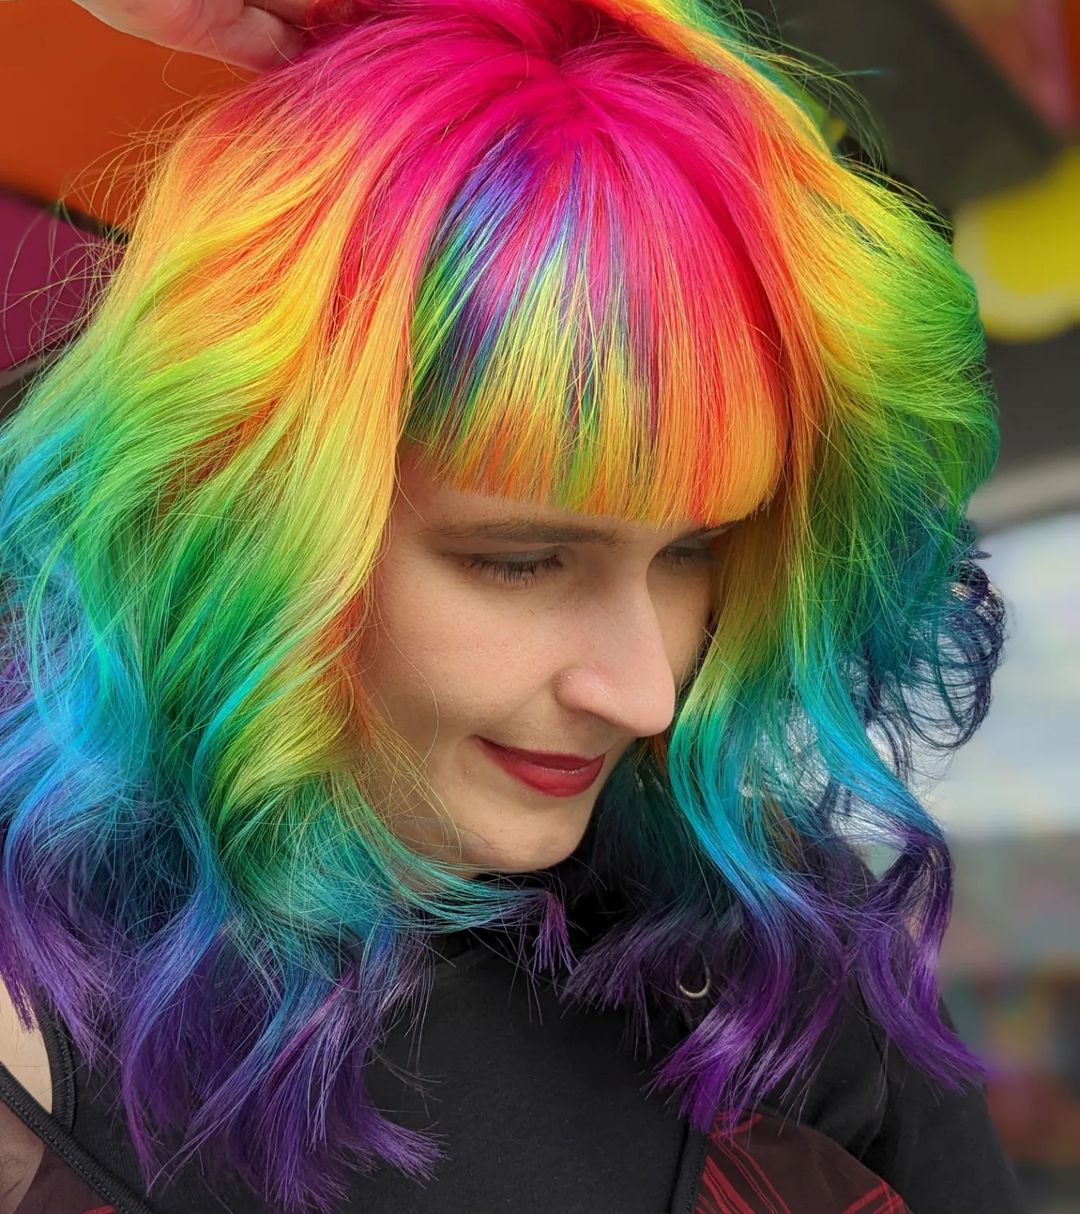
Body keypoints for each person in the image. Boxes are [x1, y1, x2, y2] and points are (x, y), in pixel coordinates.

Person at [0, 0, 1027, 1211]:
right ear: (236, 517)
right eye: (524, 560)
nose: (646, 693)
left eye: (693, 551)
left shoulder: (785, 945)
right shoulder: (31, 1017)